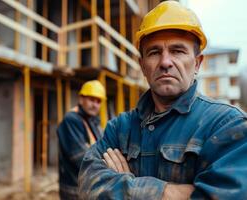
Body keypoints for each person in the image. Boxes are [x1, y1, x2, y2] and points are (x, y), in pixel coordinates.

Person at [78, 1, 247, 199]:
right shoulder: (120, 128)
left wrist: (124, 185)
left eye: (177, 51)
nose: (165, 62)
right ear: (142, 66)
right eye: (154, 52)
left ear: (197, 63)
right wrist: (172, 193)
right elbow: (87, 185)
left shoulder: (226, 125)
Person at [57, 80, 106, 200]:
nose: (95, 105)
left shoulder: (92, 120)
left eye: (98, 101)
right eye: (91, 99)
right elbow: (81, 158)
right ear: (81, 99)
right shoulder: (72, 120)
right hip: (75, 189)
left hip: (89, 185)